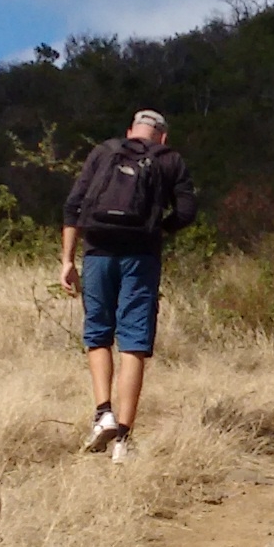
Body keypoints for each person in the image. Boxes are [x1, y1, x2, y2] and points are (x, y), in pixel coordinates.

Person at [60, 110, 197, 461]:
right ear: (162, 137)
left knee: (98, 333)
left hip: (98, 253)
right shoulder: (170, 161)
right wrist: (157, 230)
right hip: (142, 256)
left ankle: (102, 413)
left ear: (129, 132)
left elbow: (73, 207)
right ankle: (123, 439)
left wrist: (67, 260)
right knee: (134, 341)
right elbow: (186, 212)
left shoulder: (104, 152)